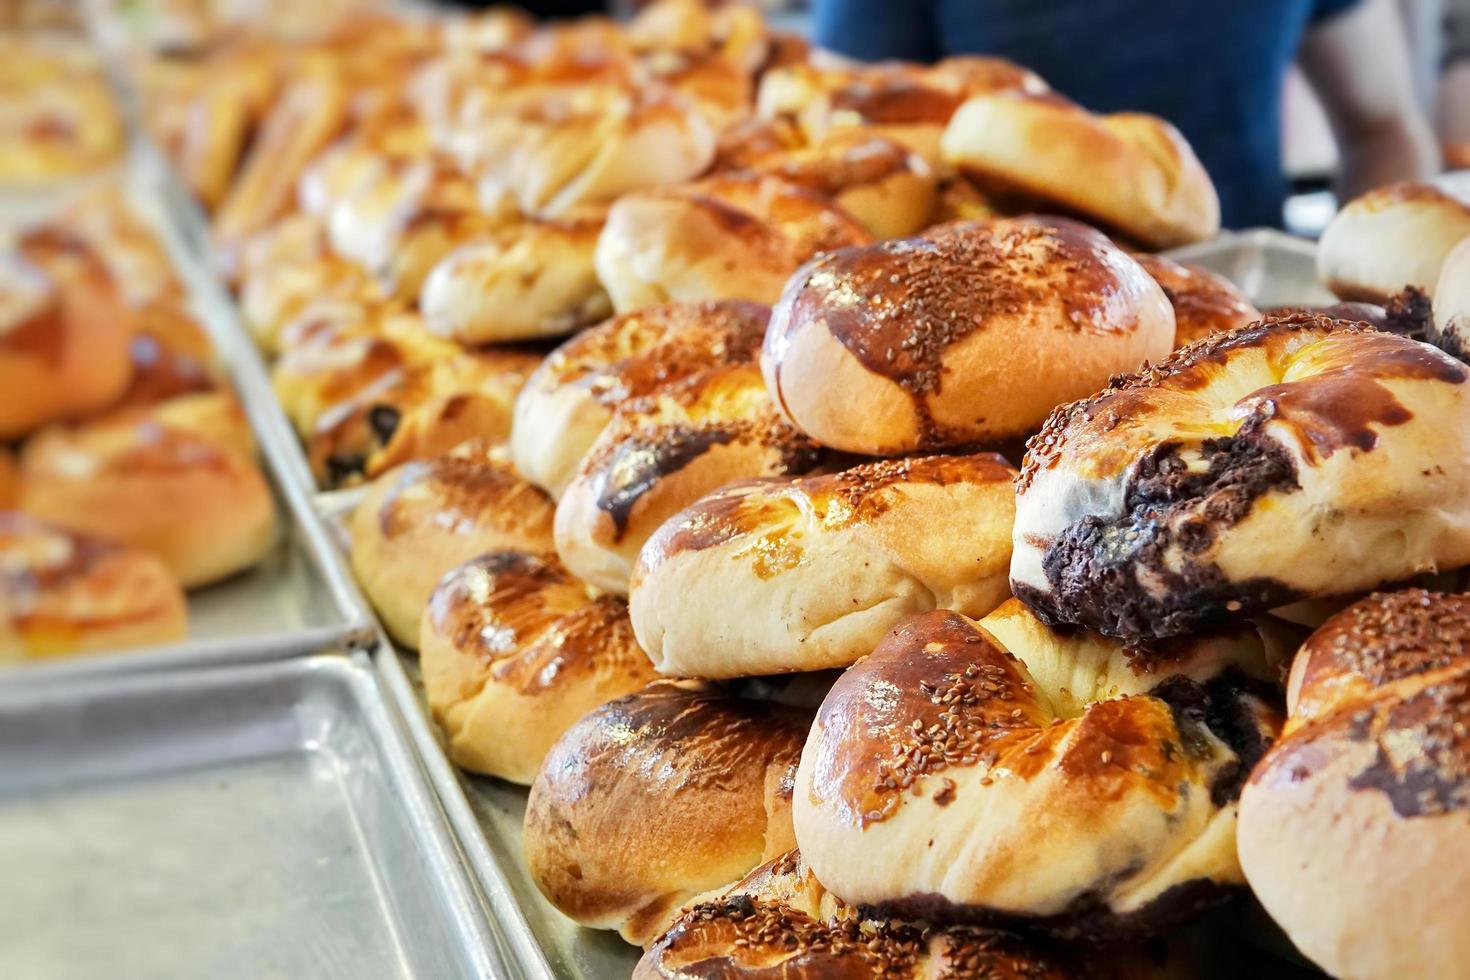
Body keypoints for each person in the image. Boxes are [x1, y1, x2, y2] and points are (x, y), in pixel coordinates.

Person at [812, 0, 1440, 228]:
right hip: (991, 341)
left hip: (1254, 309)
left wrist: (1376, 299)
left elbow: (1384, 125)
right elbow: (840, 157)